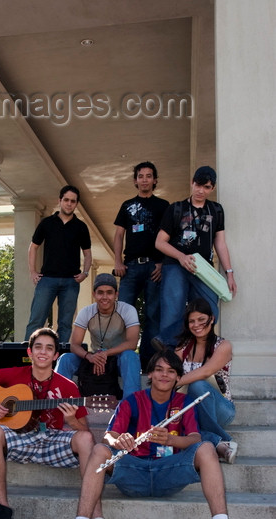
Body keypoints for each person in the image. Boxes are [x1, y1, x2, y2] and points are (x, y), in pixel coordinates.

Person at [52, 348, 242, 519]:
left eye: (171, 371)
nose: (164, 375)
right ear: (149, 374)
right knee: (99, 450)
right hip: (134, 472)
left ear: (178, 377)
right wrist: (119, 441)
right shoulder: (131, 401)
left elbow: (195, 438)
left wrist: (171, 440)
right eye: (158, 370)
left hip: (170, 472)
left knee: (207, 448)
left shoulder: (185, 403)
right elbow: (109, 436)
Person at [0, 328, 103, 519]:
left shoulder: (68, 386)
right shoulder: (15, 374)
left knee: (85, 440)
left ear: (56, 356)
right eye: (38, 347)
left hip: (52, 441)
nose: (43, 352)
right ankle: (3, 511)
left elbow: (86, 433)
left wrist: (71, 421)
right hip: (21, 439)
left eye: (49, 349)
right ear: (29, 352)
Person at [155, 166, 237, 348]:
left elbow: (220, 243)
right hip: (175, 265)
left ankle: (167, 338)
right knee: (172, 311)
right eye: (198, 185)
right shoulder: (176, 208)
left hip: (203, 268)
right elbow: (160, 242)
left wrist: (229, 273)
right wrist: (181, 257)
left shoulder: (216, 210)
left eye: (206, 187)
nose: (201, 190)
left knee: (209, 311)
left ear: (212, 189)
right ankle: (168, 356)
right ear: (192, 183)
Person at [113, 161, 169, 370]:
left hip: (155, 268)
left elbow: (169, 237)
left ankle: (147, 361)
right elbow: (119, 235)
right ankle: (119, 360)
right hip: (130, 267)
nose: (144, 179)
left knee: (153, 315)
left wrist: (163, 263)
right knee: (122, 313)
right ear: (135, 180)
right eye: (141, 176)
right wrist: (117, 261)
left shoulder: (164, 206)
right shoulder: (127, 205)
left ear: (154, 180)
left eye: (148, 176)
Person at [55, 273, 141, 399]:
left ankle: (130, 406)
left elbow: (132, 343)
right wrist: (89, 356)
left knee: (131, 356)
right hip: (93, 357)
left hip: (118, 358)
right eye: (100, 292)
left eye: (109, 292)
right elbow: (74, 345)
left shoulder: (127, 310)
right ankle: (56, 404)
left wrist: (105, 353)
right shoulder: (86, 312)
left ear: (116, 294)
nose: (105, 297)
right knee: (65, 358)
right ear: (94, 294)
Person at [24, 186, 92, 344]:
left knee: (65, 324)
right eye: (66, 200)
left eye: (73, 201)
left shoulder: (81, 227)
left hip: (71, 282)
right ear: (60, 200)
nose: (69, 204)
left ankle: (58, 359)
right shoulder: (47, 223)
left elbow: (87, 253)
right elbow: (33, 247)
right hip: (47, 279)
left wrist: (86, 273)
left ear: (76, 204)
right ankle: (27, 359)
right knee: (36, 320)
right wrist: (32, 271)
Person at [175, 298, 237, 463]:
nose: (196, 325)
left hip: (222, 408)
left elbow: (206, 371)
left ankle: (220, 437)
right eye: (192, 321)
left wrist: (176, 382)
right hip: (191, 408)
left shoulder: (223, 346)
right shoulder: (183, 346)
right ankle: (221, 444)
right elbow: (171, 372)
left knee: (198, 385)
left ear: (212, 319)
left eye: (201, 319)